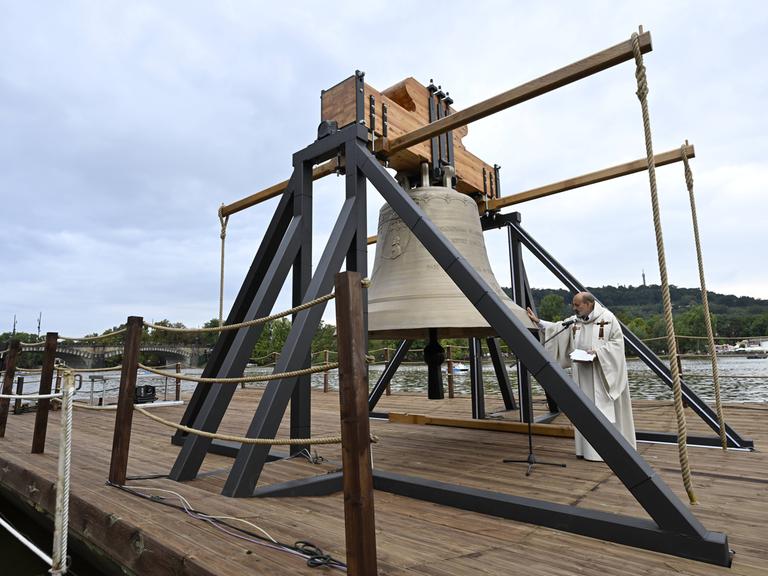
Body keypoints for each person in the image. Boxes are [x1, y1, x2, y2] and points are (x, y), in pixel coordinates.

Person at [526, 292, 636, 461]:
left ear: (589, 304)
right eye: (574, 305)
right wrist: (538, 321)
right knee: (586, 410)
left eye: (577, 305)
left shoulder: (608, 318)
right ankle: (589, 451)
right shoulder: (575, 321)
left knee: (604, 410)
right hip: (582, 375)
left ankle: (614, 449)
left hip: (603, 374)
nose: (574, 308)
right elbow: (556, 328)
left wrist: (598, 353)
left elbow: (617, 344)